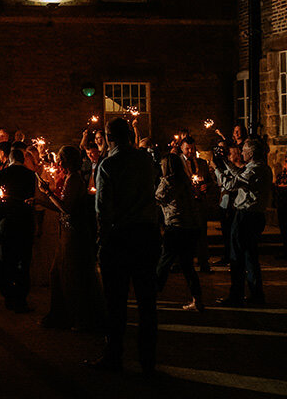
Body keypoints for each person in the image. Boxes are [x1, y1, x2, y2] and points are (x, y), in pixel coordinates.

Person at [92, 118, 161, 374]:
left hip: (120, 235)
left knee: (116, 301)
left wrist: (102, 237)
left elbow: (103, 208)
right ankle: (147, 359)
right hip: (146, 232)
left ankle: (114, 355)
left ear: (109, 137)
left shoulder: (108, 164)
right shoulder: (144, 159)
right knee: (146, 301)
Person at [37, 145, 106, 332]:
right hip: (67, 231)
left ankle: (78, 317)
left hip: (74, 234)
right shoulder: (69, 178)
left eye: (60, 159)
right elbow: (62, 208)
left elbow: (66, 208)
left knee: (71, 275)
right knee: (57, 273)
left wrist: (48, 193)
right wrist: (40, 200)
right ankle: (61, 314)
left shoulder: (74, 180)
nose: (58, 162)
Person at [213, 138, 273, 307]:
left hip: (246, 216)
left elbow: (231, 184)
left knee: (238, 257)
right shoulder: (257, 168)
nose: (241, 153)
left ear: (252, 153)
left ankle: (238, 295)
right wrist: (225, 161)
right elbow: (238, 174)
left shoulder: (255, 170)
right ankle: (254, 294)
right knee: (249, 257)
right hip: (252, 216)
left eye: (244, 150)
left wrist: (217, 168)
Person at [0, 145, 38, 313]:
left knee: (6, 260)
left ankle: (8, 296)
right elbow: (34, 198)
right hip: (25, 221)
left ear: (10, 159)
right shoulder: (31, 175)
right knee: (23, 261)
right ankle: (22, 297)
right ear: (22, 159)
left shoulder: (0, 174)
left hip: (7, 221)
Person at [154, 153, 203, 311]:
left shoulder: (168, 181)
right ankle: (197, 299)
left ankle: (151, 294)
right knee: (187, 265)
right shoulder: (185, 180)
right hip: (190, 226)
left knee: (164, 262)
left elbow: (156, 198)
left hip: (175, 226)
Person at [179, 136, 216, 272]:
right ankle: (184, 262)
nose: (190, 151)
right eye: (187, 149)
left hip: (199, 202)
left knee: (201, 232)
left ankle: (203, 261)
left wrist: (206, 186)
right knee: (185, 234)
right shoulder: (178, 163)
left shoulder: (202, 163)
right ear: (182, 149)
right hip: (185, 203)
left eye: (192, 148)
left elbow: (210, 181)